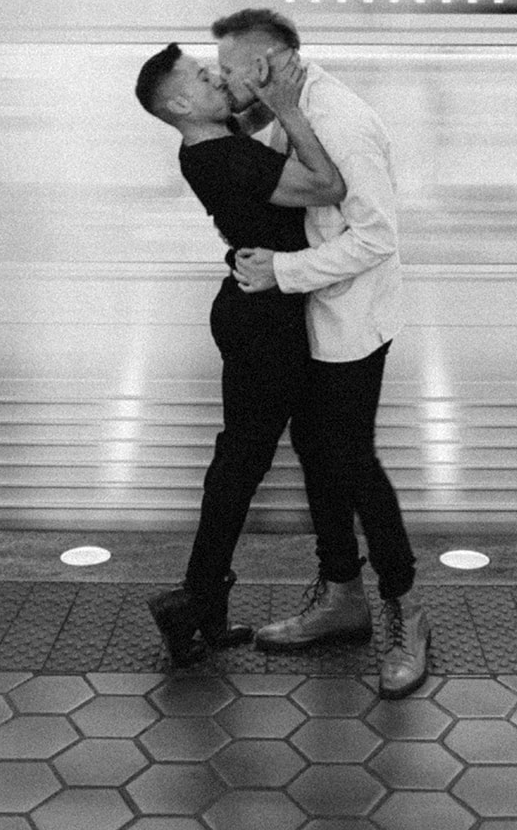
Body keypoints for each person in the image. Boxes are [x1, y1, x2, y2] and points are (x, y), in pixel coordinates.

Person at [213, 8, 430, 700]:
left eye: (228, 71)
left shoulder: (341, 122)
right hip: (311, 318)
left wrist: (279, 271)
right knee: (314, 451)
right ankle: (342, 596)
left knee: (352, 461)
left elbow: (376, 238)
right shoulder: (286, 109)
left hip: (350, 322)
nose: (222, 82)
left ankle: (406, 613)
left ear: (269, 64)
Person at [133, 41, 346, 666]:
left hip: (253, 310)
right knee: (246, 463)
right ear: (178, 102)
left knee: (250, 458)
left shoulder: (206, 142)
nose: (212, 76)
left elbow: (247, 117)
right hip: (264, 324)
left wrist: (261, 88)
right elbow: (327, 184)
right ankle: (197, 599)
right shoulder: (224, 157)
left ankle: (204, 604)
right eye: (201, 76)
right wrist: (290, 105)